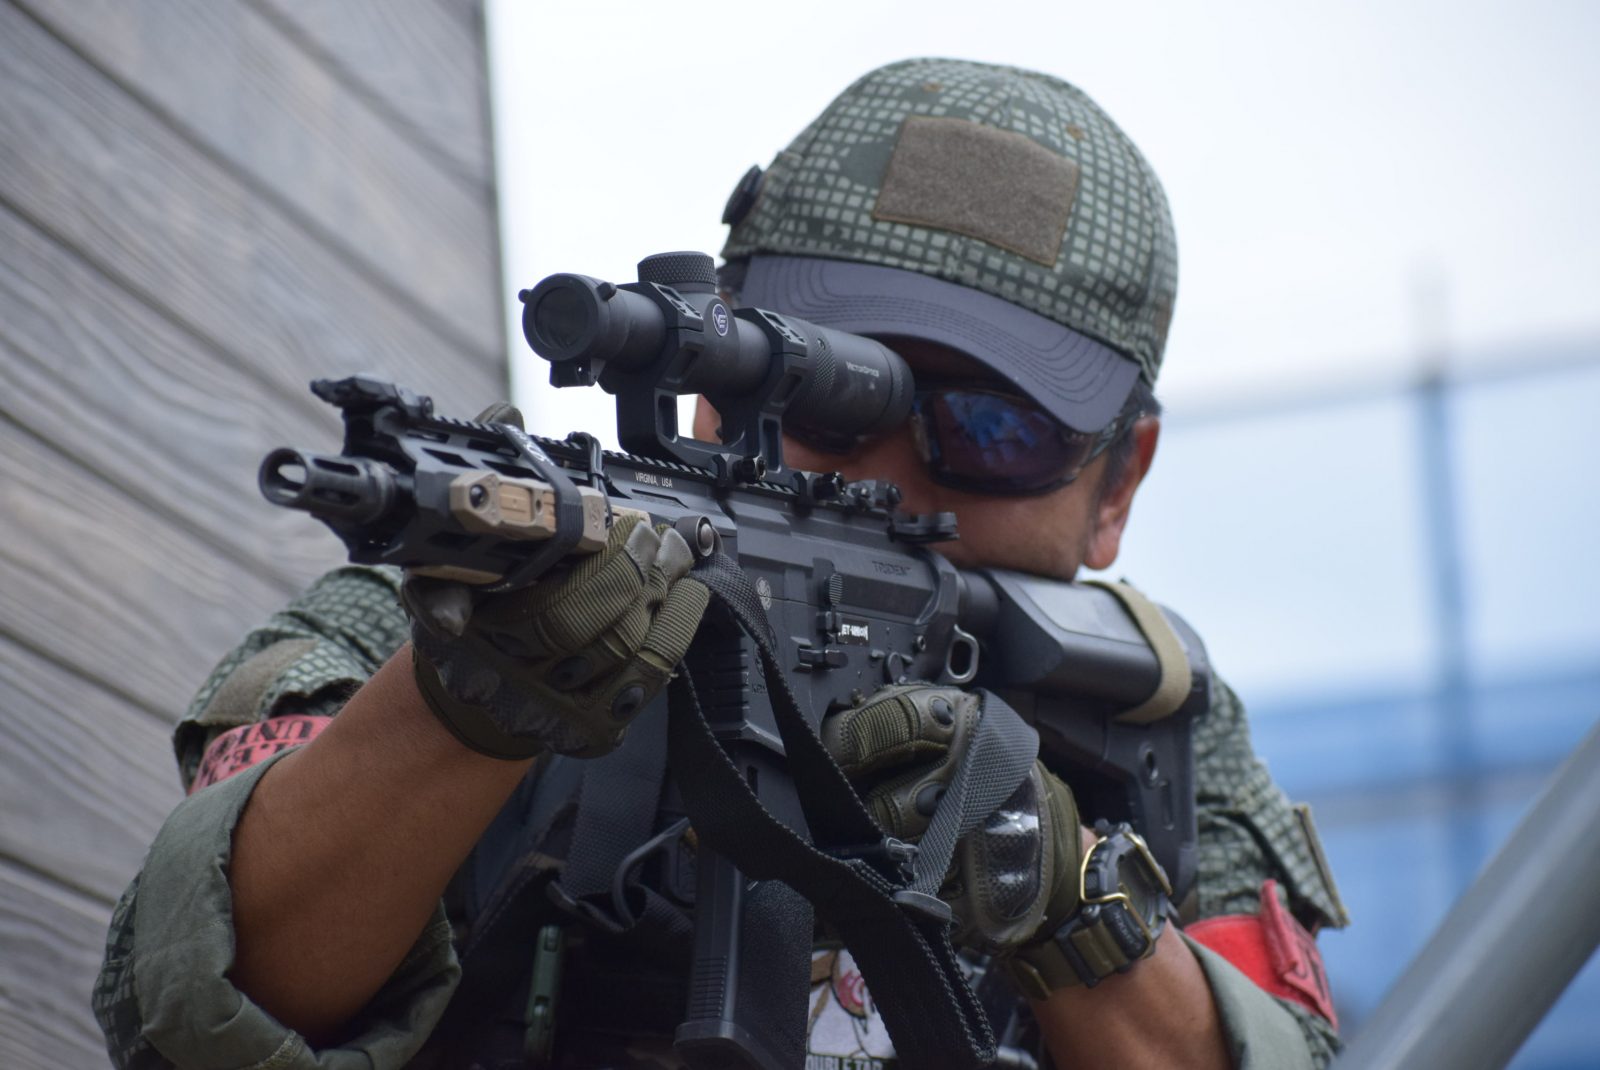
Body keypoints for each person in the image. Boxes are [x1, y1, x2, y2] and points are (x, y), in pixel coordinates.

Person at [94, 58, 1348, 1069]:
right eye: (829, 400)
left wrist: (1063, 893)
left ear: (1117, 482)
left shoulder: (1149, 722)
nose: (886, 476)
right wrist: (465, 708)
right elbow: (181, 1012)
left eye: (989, 430)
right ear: (713, 380)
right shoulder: (452, 609)